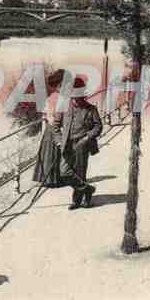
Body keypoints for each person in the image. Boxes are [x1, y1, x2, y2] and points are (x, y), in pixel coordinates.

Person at [56, 77, 102, 210]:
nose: (75, 100)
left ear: (82, 96)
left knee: (80, 173)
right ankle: (87, 189)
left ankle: (79, 200)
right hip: (67, 144)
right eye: (73, 97)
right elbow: (55, 126)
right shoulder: (63, 107)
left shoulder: (91, 109)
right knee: (64, 172)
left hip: (82, 144)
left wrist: (88, 137)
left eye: (78, 97)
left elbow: (98, 126)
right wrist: (59, 141)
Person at [32, 69, 66, 187]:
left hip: (54, 127)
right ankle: (52, 179)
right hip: (53, 128)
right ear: (58, 85)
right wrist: (58, 127)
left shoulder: (62, 97)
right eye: (62, 85)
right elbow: (49, 116)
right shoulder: (55, 98)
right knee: (52, 153)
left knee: (55, 153)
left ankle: (56, 178)